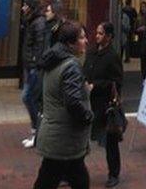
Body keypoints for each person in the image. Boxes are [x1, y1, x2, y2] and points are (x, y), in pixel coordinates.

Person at [34, 20, 93, 189]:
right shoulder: (71, 66)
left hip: (56, 134)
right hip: (64, 138)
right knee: (55, 179)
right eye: (81, 38)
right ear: (70, 43)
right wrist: (87, 116)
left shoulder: (54, 61)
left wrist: (83, 89)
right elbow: (72, 102)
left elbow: (55, 93)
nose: (86, 41)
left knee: (73, 177)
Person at [83, 22, 123, 188]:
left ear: (109, 36)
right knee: (80, 137)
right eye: (97, 33)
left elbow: (117, 81)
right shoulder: (92, 52)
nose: (97, 36)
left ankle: (114, 173)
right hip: (89, 102)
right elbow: (86, 69)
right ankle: (69, 170)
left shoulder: (112, 56)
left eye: (100, 33)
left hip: (104, 104)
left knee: (110, 141)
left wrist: (96, 85)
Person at [21, 0, 46, 148]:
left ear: (31, 7)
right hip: (31, 67)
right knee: (30, 98)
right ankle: (36, 131)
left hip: (35, 68)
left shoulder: (38, 23)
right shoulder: (32, 21)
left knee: (28, 97)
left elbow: (39, 46)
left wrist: (34, 64)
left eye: (25, 5)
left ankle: (37, 131)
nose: (23, 8)